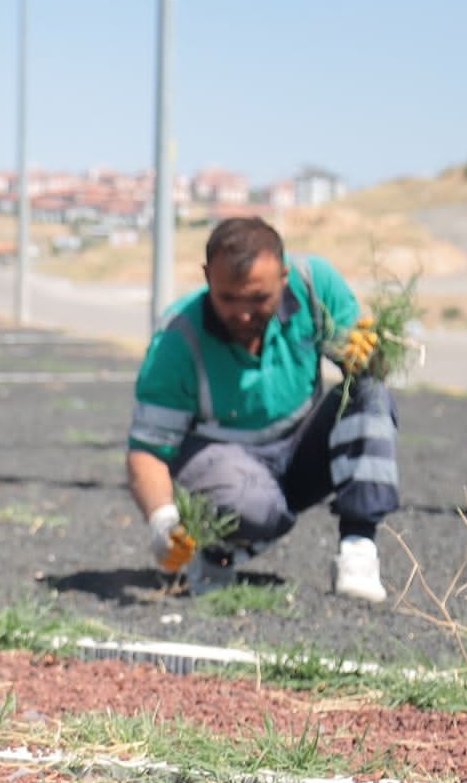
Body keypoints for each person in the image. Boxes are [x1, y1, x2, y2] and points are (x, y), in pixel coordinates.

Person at [126, 215, 397, 603]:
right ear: (207, 277)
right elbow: (148, 451)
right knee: (253, 505)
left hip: (297, 447)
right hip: (222, 459)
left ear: (284, 277)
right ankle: (217, 550)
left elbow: (375, 370)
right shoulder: (178, 339)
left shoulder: (315, 288)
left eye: (259, 299)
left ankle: (359, 548)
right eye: (228, 299)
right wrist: (163, 524)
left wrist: (370, 357)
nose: (243, 314)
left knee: (370, 393)